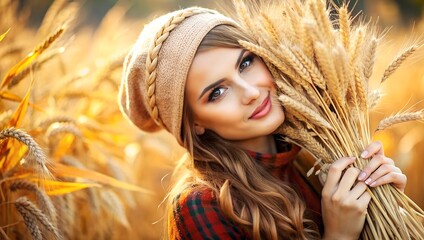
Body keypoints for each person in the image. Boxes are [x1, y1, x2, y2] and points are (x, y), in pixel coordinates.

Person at [119, 6, 407, 240]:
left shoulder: (317, 158)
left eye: (246, 63)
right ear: (194, 124)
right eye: (217, 93)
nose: (251, 92)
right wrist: (339, 235)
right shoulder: (203, 208)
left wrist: (389, 211)